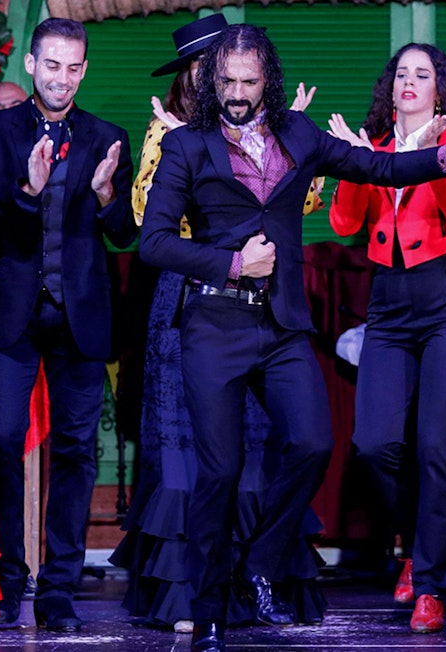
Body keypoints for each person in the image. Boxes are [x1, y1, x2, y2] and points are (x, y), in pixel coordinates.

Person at [139, 23, 446, 652]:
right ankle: (210, 610)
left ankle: (261, 563)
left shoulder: (298, 134)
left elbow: (375, 165)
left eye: (248, 82)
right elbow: (154, 241)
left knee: (314, 443)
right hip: (215, 326)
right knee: (219, 473)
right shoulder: (187, 147)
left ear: (266, 79)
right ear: (212, 82)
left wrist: (441, 157)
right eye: (227, 82)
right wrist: (230, 264)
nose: (237, 94)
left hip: (281, 328)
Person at [110, 13, 325, 632]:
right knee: (204, 460)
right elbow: (148, 221)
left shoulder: (274, 127)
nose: (226, 82)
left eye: (239, 72)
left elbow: (301, 201)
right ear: (194, 76)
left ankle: (252, 575)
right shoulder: (168, 136)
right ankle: (192, 601)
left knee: (272, 447)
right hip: (194, 291)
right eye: (210, 69)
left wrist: (288, 150)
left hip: (268, 298)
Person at [0, 17, 136, 632]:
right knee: (1, 442)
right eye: (52, 65)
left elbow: (126, 234)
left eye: (74, 67)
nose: (62, 77)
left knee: (74, 452)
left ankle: (60, 590)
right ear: (32, 66)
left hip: (81, 317)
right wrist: (30, 191)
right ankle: (8, 580)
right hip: (11, 316)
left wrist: (104, 195)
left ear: (83, 70)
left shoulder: (107, 136)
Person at [326, 43, 446, 634]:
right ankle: (417, 543)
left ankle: (433, 580)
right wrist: (354, 163)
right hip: (389, 304)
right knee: (374, 444)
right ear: (390, 90)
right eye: (402, 74)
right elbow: (344, 223)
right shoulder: (375, 146)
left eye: (424, 75)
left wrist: (439, 157)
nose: (411, 82)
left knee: (436, 446)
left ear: (439, 90)